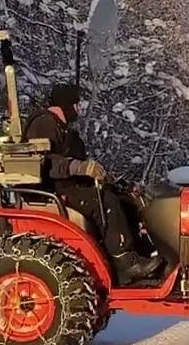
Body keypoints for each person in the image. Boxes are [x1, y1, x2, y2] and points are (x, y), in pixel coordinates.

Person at [24, 84, 163, 283]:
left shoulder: (62, 127)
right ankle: (124, 262)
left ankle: (143, 252)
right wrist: (79, 168)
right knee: (105, 202)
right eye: (76, 105)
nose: (79, 109)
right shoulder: (44, 123)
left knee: (123, 197)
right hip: (53, 188)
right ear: (66, 105)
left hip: (71, 185)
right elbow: (43, 161)